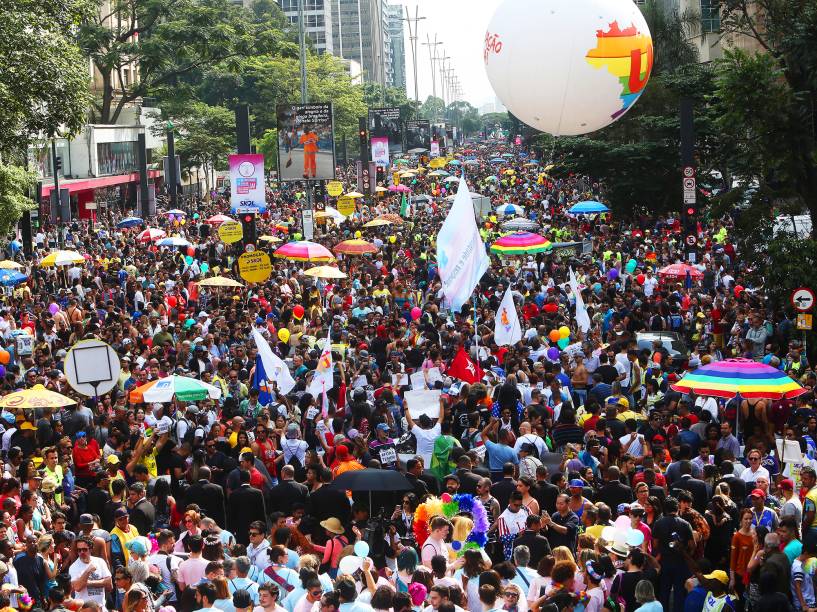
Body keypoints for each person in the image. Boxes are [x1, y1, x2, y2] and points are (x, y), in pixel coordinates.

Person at [69, 535, 112, 611]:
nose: (81, 552)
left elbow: (109, 584)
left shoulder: (100, 562)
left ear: (91, 549)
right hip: (85, 609)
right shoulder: (74, 567)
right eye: (79, 550)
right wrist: (88, 571)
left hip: (100, 607)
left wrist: (87, 583)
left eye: (84, 549)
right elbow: (77, 587)